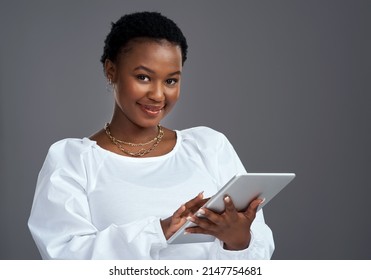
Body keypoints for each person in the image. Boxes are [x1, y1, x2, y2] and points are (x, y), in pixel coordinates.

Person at [28, 11, 274, 260]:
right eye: (143, 77)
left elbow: (259, 254)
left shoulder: (209, 147)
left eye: (170, 81)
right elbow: (64, 258)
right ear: (111, 70)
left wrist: (238, 241)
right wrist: (159, 231)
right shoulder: (73, 161)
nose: (158, 94)